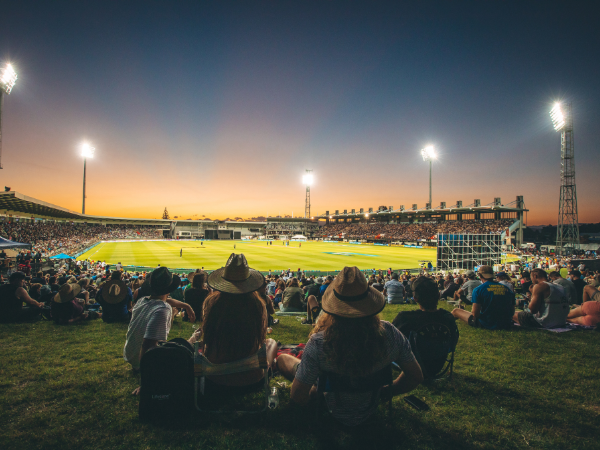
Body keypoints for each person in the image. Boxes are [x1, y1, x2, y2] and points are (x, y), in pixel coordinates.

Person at [276, 266, 424, 426]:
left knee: (283, 358)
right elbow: (415, 375)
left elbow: (298, 395)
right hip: (370, 405)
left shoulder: (319, 342)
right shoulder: (389, 333)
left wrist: (316, 394)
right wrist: (385, 393)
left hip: (328, 404)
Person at [202, 253, 278, 390]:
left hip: (214, 378)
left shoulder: (211, 303)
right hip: (252, 379)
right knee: (271, 343)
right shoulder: (258, 305)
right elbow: (261, 340)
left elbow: (207, 338)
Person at [123, 267, 200, 383]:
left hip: (130, 355)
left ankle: (192, 339)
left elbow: (166, 300)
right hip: (142, 361)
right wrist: (145, 381)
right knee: (183, 354)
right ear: (168, 290)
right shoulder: (162, 309)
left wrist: (187, 306)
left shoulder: (142, 300)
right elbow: (148, 345)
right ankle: (192, 340)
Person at [392, 276, 459, 347]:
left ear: (415, 299)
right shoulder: (448, 317)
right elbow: (453, 342)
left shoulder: (404, 319)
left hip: (413, 357)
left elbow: (390, 341)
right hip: (441, 357)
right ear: (438, 295)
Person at [451, 265, 515, 330]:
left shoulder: (478, 290)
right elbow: (512, 312)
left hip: (486, 323)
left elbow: (475, 314)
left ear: (480, 276)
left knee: (456, 311)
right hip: (505, 324)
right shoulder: (507, 289)